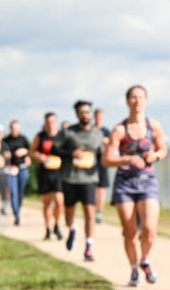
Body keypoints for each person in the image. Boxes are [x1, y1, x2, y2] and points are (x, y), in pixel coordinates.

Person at [103, 85, 168, 286]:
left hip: (148, 181)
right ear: (127, 101)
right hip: (125, 183)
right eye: (133, 97)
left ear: (146, 101)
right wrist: (127, 159)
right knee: (130, 231)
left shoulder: (153, 126)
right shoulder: (119, 129)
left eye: (141, 97)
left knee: (149, 229)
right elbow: (107, 159)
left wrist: (155, 155)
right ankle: (133, 268)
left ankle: (145, 260)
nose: (137, 101)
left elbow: (163, 149)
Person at [58, 100, 103, 261]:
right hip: (70, 178)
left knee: (90, 213)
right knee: (69, 212)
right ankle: (72, 229)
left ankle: (89, 247)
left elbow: (101, 155)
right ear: (77, 114)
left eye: (88, 112)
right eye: (82, 112)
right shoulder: (68, 132)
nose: (86, 115)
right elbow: (56, 149)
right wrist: (71, 153)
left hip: (89, 179)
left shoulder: (98, 133)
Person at [31, 112, 65, 240]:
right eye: (48, 122)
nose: (50, 124)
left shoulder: (62, 136)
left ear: (56, 122)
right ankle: (48, 229)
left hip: (59, 172)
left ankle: (57, 224)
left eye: (52, 122)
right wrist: (39, 156)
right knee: (46, 202)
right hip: (45, 173)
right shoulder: (40, 136)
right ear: (45, 123)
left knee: (59, 200)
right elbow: (32, 152)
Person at [3, 120, 32, 226]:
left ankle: (18, 209)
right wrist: (6, 155)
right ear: (10, 129)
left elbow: (30, 151)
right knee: (13, 192)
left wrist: (24, 152)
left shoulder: (23, 139)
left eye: (17, 129)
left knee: (20, 193)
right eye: (13, 129)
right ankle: (16, 214)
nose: (15, 131)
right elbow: (0, 153)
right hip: (10, 169)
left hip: (22, 168)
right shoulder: (5, 140)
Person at [94, 107, 112, 224]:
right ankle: (92, 210)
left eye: (100, 116)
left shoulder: (106, 131)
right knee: (92, 187)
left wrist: (106, 141)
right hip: (91, 162)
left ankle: (99, 211)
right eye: (97, 116)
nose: (98, 118)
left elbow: (112, 145)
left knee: (101, 188)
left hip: (102, 161)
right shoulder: (91, 129)